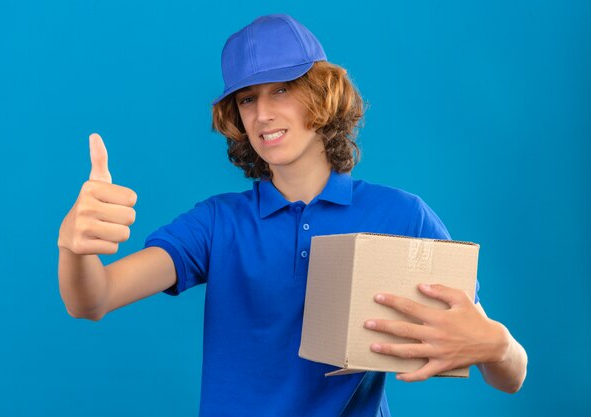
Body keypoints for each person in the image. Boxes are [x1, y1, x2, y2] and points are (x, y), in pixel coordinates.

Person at [57, 14, 527, 417]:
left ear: (322, 95)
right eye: (247, 98)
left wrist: (500, 346)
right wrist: (73, 248)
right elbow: (93, 300)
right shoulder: (218, 224)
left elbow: (506, 372)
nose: (262, 114)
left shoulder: (401, 215)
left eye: (282, 89)